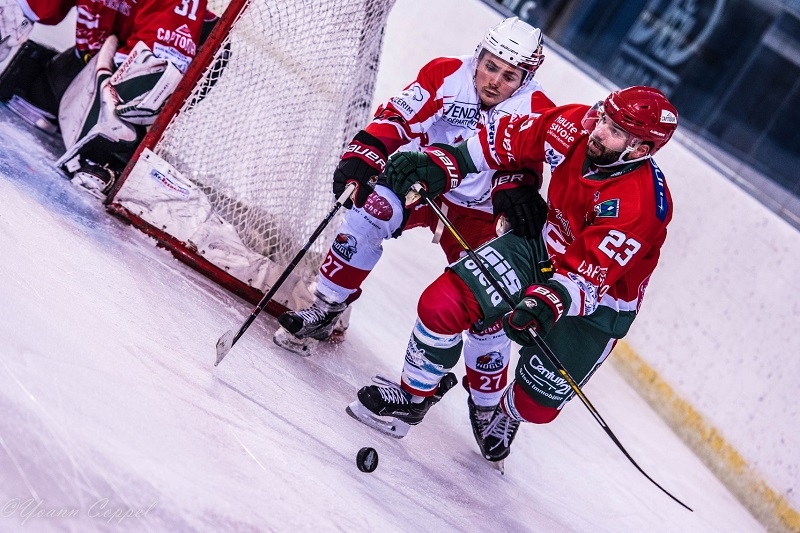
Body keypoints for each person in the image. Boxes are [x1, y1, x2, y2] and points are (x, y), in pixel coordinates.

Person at [347, 86, 679, 463]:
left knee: (537, 405)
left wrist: (546, 301)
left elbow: (589, 276)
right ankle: (412, 397)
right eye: (604, 117)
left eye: (615, 131)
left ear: (641, 150)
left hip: (599, 304)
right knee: (442, 305)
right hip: (540, 249)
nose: (599, 130)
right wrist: (443, 164)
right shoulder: (575, 124)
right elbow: (502, 140)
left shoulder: (641, 206)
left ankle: (505, 412)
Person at [274, 17, 555, 426]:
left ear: (525, 77)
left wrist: (519, 184)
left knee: (488, 302)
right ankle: (326, 308)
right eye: (490, 66)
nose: (494, 81)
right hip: (424, 184)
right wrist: (364, 152)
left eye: (509, 75)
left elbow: (530, 163)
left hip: (482, 210)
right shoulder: (446, 74)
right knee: (371, 211)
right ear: (480, 56)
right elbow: (396, 118)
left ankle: (487, 405)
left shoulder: (536, 109)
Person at [0, 0, 215, 196]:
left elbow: (148, 75)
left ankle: (115, 151)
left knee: (145, 87)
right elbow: (20, 9)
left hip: (138, 75)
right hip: (92, 58)